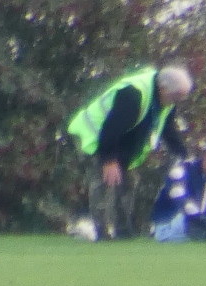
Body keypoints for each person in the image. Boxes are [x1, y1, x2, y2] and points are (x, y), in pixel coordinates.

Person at [67, 65, 193, 240]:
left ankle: (124, 233)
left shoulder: (166, 100)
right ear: (163, 88)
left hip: (121, 144)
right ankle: (100, 233)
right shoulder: (133, 94)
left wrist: (184, 155)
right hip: (95, 138)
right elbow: (111, 129)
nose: (178, 101)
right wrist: (109, 161)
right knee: (104, 183)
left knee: (128, 184)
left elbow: (167, 129)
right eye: (177, 96)